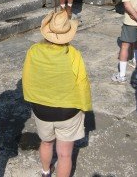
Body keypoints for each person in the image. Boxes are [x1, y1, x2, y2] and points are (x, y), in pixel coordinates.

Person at [23, 10, 92, 177]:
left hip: (42, 109)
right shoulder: (74, 54)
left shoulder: (34, 50)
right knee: (65, 154)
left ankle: (45, 172)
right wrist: (85, 107)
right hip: (68, 110)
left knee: (46, 143)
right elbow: (82, 83)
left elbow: (27, 78)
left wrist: (33, 100)